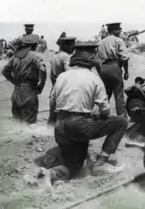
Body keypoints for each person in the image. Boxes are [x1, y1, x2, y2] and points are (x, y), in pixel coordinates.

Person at [38, 41, 129, 185]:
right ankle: (100, 164)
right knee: (121, 122)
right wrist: (96, 117)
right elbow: (105, 110)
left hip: (60, 127)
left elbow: (52, 102)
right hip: (78, 126)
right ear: (92, 61)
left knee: (74, 168)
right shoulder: (94, 78)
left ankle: (50, 173)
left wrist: (53, 119)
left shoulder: (62, 76)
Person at [2, 34, 47, 124]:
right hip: (29, 93)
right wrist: (41, 85)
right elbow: (42, 69)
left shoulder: (15, 57)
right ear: (33, 45)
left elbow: (5, 71)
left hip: (16, 93)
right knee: (29, 124)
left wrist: (14, 82)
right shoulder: (35, 56)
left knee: (18, 124)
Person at [96, 22, 129, 119]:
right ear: (114, 30)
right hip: (114, 67)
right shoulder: (119, 41)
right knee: (118, 94)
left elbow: (96, 60)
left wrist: (100, 72)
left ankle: (102, 116)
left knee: (105, 93)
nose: (120, 30)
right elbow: (124, 58)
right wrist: (126, 71)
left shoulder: (101, 42)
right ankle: (122, 117)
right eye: (119, 29)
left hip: (103, 68)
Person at [48, 36, 76, 125]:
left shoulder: (55, 56)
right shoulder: (65, 57)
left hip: (54, 88)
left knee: (52, 118)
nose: (73, 47)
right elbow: (69, 73)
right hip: (63, 90)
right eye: (72, 45)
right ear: (65, 46)